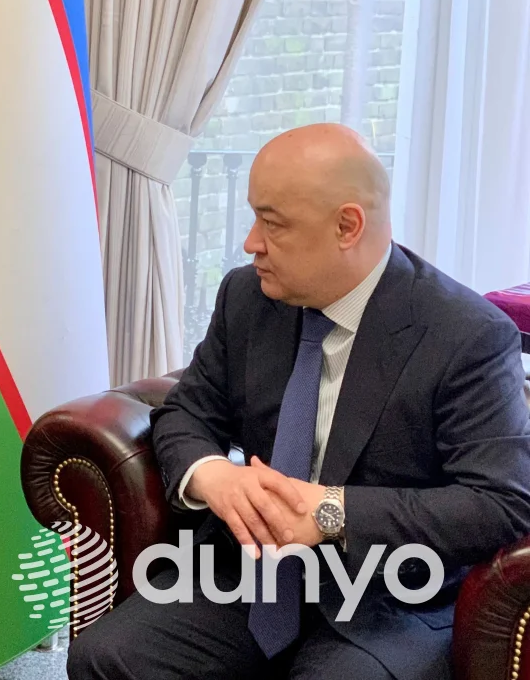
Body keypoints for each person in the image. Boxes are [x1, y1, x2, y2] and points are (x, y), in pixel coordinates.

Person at [68, 123, 530, 680]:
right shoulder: (247, 296)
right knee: (105, 657)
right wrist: (215, 476)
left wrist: (329, 512)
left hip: (389, 593)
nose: (251, 243)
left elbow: (499, 502)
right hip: (247, 575)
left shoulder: (465, 334)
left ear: (346, 226)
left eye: (273, 223)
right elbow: (188, 411)